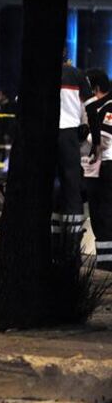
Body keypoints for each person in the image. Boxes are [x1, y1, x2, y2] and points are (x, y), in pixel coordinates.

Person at [54, 62, 94, 237]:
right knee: (71, 184)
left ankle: (52, 233)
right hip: (69, 133)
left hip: (44, 135)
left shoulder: (38, 72)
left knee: (47, 184)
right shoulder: (77, 74)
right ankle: (73, 237)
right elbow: (90, 107)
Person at [85, 69, 112, 269]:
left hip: (108, 167)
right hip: (103, 167)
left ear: (95, 89)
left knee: (102, 214)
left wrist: (84, 133)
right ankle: (105, 261)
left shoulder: (108, 108)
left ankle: (106, 263)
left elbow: (102, 140)